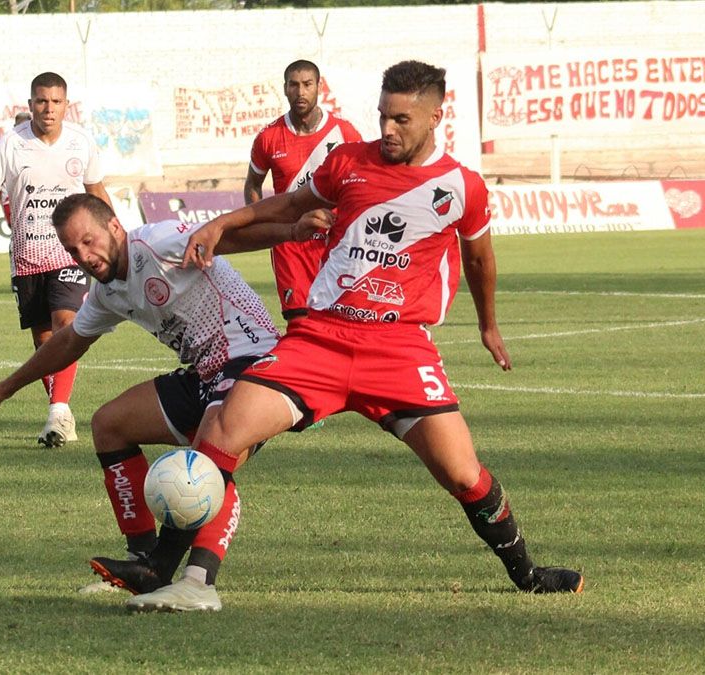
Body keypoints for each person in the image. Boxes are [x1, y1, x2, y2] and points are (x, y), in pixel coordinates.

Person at [123, 60, 584, 612]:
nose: (387, 129)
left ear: (436, 117)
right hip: (318, 340)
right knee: (221, 430)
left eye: (401, 120)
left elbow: (480, 258)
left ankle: (527, 573)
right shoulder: (347, 162)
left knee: (464, 475)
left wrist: (489, 324)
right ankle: (181, 578)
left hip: (399, 349)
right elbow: (289, 204)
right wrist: (222, 223)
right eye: (383, 116)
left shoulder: (463, 187)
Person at [0, 193, 327, 608]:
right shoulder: (107, 292)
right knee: (109, 424)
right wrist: (6, 388)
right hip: (204, 373)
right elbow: (68, 342)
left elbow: (226, 237)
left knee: (207, 460)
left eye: (88, 241)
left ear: (114, 227)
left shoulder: (158, 243)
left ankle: (197, 583)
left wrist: (292, 232)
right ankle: (142, 563)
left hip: (253, 362)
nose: (84, 256)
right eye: (72, 249)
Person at [0, 73, 112, 448]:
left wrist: (116, 235)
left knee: (67, 325)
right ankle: (60, 413)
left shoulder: (80, 142)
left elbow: (96, 190)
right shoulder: (11, 144)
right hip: (28, 256)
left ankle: (57, 411)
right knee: (45, 340)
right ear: (30, 104)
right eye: (42, 101)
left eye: (56, 102)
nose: (49, 109)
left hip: (70, 252)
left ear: (66, 105)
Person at [245, 59, 363, 326]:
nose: (300, 92)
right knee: (299, 323)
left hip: (333, 241)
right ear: (285, 88)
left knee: (338, 321)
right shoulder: (269, 137)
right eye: (294, 85)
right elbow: (253, 185)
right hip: (290, 243)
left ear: (319, 87)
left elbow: (361, 184)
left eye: (307, 84)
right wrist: (263, 226)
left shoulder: (344, 133)